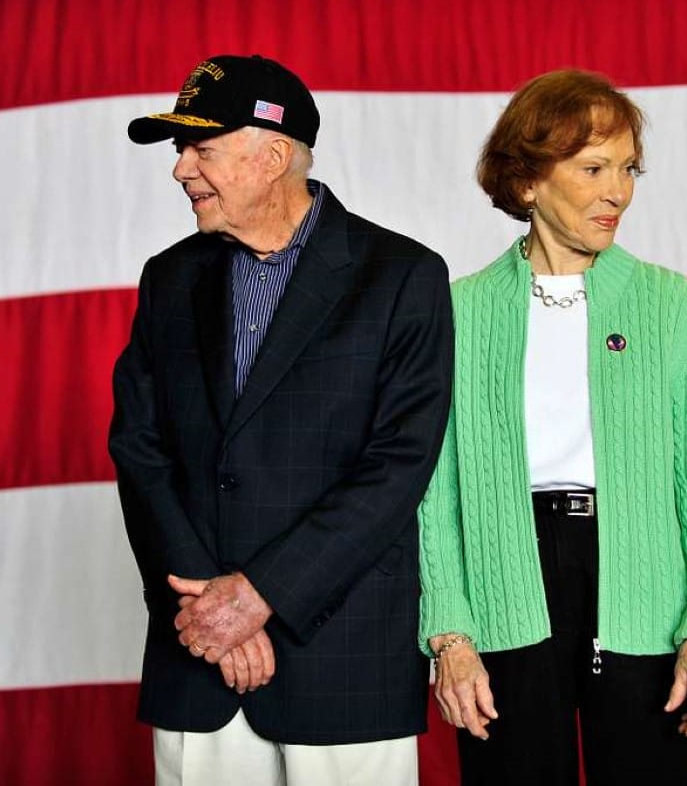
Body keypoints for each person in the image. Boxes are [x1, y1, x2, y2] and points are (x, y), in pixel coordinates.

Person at [109, 54, 453, 786]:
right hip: (197, 659)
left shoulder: (403, 278)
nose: (180, 171)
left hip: (343, 666)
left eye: (200, 149)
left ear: (271, 156)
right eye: (180, 151)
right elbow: (140, 449)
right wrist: (210, 607)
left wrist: (261, 595)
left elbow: (398, 467)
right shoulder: (167, 279)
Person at [417, 69, 687, 785]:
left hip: (643, 588)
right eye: (594, 168)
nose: (617, 191)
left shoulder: (670, 304)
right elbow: (434, 494)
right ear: (529, 181)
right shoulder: (457, 313)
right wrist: (450, 632)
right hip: (507, 583)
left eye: (628, 169)